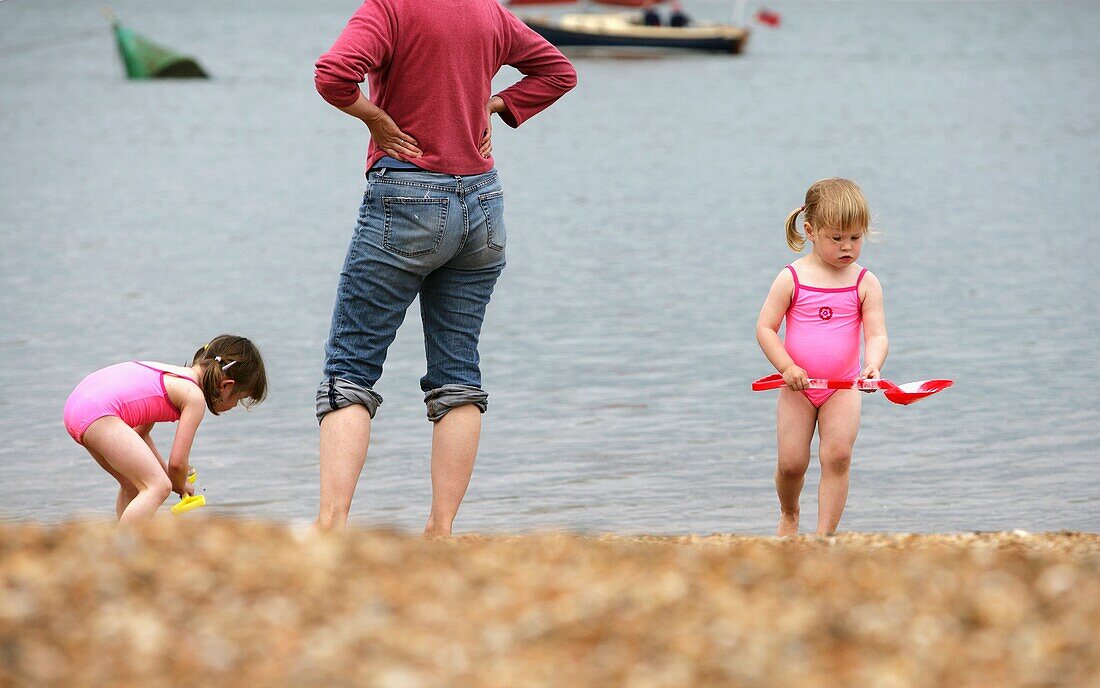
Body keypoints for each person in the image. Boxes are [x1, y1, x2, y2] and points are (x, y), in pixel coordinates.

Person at [313, 0, 577, 534]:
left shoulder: (388, 8)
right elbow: (559, 72)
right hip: (482, 204)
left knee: (352, 368)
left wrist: (375, 119)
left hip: (407, 196)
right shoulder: (488, 12)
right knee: (457, 372)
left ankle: (332, 524)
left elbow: (333, 75)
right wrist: (495, 105)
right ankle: (440, 530)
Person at [755, 179, 888, 536]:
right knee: (792, 464)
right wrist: (787, 367)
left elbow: (876, 333)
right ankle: (789, 514)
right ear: (811, 231)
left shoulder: (864, 282)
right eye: (837, 238)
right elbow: (766, 329)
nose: (848, 247)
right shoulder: (792, 278)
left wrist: (873, 365)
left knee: (838, 457)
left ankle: (823, 538)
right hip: (798, 386)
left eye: (855, 238)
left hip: (843, 386)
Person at [63, 335, 267, 524]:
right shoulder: (194, 397)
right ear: (226, 385)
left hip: (79, 405)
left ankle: (129, 545)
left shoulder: (171, 376)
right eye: (239, 399)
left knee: (136, 484)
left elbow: (139, 434)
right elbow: (178, 464)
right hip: (99, 413)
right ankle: (121, 550)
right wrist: (180, 484)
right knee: (158, 487)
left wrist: (170, 474)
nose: (233, 406)